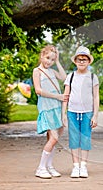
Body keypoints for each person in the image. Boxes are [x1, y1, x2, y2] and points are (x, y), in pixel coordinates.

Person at [62, 46, 99, 178]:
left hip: (87, 112)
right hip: (72, 112)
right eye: (79, 59)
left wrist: (95, 115)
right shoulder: (70, 76)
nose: (82, 61)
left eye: (84, 59)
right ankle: (75, 166)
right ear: (75, 61)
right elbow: (66, 96)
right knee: (73, 139)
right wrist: (63, 114)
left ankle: (83, 165)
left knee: (85, 139)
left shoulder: (93, 77)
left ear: (89, 61)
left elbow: (96, 97)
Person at [33, 45, 67, 179]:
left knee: (52, 140)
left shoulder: (52, 71)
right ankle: (41, 168)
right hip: (47, 108)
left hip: (57, 108)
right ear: (42, 56)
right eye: (47, 58)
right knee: (54, 138)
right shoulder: (37, 71)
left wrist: (58, 62)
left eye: (52, 60)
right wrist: (57, 96)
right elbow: (38, 90)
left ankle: (49, 166)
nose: (49, 62)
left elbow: (64, 77)